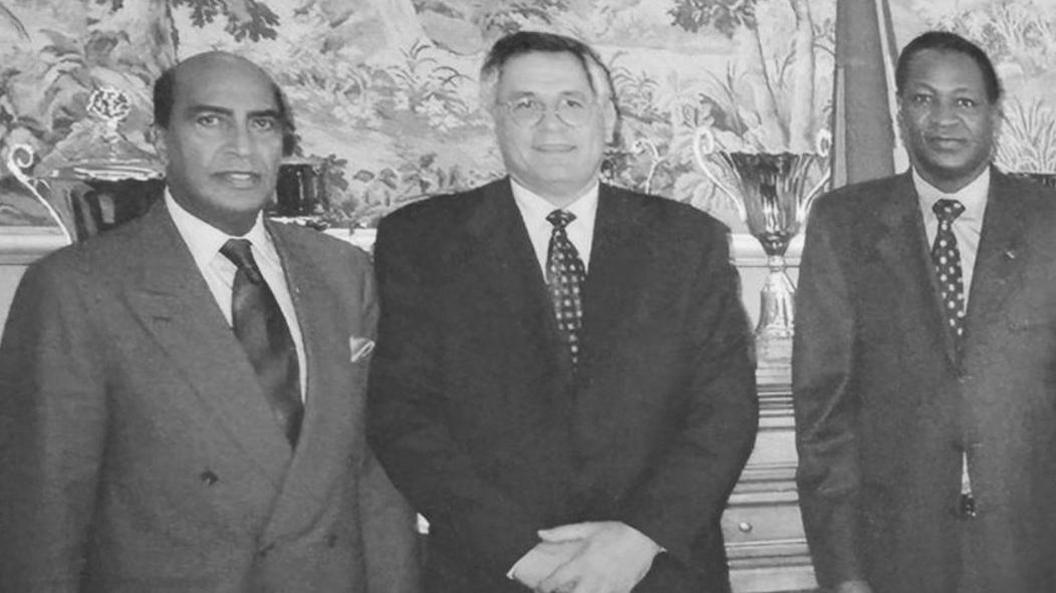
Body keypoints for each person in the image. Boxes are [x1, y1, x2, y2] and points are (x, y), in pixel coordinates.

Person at [0, 51, 419, 592]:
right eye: (209, 120)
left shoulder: (343, 273)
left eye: (262, 123)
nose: (242, 147)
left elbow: (373, 477)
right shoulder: (77, 288)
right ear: (159, 140)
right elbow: (42, 514)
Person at [367, 30, 758, 593]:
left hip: (657, 569)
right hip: (495, 572)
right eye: (526, 104)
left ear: (607, 116)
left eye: (572, 102)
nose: (551, 123)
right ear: (494, 118)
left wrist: (637, 540)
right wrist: (521, 555)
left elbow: (724, 412)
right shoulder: (422, 241)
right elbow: (403, 417)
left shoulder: (688, 240)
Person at [794, 30, 1056, 593]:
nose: (943, 118)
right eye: (922, 98)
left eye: (964, 101)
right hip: (897, 552)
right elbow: (824, 412)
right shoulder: (844, 225)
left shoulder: (1048, 222)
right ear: (899, 110)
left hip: (1034, 548)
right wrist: (842, 574)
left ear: (994, 114)